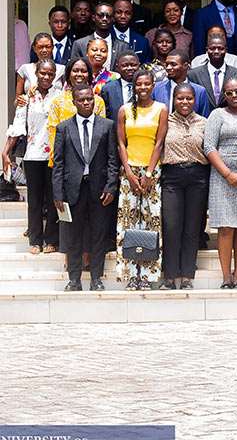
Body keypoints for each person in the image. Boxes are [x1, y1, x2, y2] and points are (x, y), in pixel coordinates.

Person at [51, 85, 119, 291]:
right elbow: (58, 163)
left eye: (89, 99)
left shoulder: (107, 125)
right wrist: (58, 193)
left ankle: (96, 279)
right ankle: (74, 279)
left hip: (100, 189)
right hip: (73, 190)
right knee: (73, 235)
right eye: (81, 100)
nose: (86, 103)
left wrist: (111, 187)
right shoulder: (64, 127)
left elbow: (113, 160)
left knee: (99, 234)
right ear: (74, 102)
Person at [116, 69, 168, 290]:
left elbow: (159, 143)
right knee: (127, 223)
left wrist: (148, 174)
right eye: (139, 84)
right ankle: (130, 274)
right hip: (129, 172)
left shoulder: (161, 109)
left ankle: (147, 275)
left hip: (152, 171)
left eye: (147, 84)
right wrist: (128, 172)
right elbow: (121, 143)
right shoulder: (124, 110)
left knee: (150, 222)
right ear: (134, 87)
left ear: (153, 85)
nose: (143, 88)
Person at [3, 59, 60, 254]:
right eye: (43, 73)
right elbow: (18, 126)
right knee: (34, 200)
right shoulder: (27, 99)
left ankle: (51, 240)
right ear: (36, 74)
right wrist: (5, 152)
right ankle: (35, 240)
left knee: (53, 199)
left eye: (50, 74)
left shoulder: (61, 98)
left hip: (54, 157)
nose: (46, 77)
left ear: (55, 76)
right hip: (33, 155)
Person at [203, 76, 237, 289]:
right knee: (225, 228)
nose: (234, 96)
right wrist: (228, 174)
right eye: (229, 93)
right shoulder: (217, 114)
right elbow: (209, 146)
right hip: (221, 177)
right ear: (224, 95)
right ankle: (226, 277)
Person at [159, 83, 209, 291]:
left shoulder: (204, 122)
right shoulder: (164, 121)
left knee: (192, 227)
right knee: (171, 226)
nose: (185, 102)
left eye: (189, 98)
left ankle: (187, 276)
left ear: (195, 100)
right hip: (172, 176)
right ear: (174, 100)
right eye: (180, 98)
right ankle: (170, 276)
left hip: (198, 176)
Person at [46, 57, 106, 167]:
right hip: (66, 161)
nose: (79, 74)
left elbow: (100, 133)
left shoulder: (97, 101)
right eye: (75, 71)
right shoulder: (58, 102)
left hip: (92, 161)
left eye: (83, 71)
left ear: (89, 75)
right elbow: (53, 132)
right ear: (69, 74)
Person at [71, 2, 132, 70]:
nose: (104, 19)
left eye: (108, 16)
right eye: (100, 15)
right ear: (93, 17)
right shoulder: (80, 44)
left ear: (113, 19)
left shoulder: (123, 47)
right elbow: (75, 70)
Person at [188, 34, 237, 109]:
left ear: (226, 50)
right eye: (212, 48)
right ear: (207, 50)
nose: (216, 51)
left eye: (220, 48)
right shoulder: (193, 74)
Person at [153, 50, 211, 117]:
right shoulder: (156, 89)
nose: (168, 68)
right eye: (167, 64)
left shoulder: (199, 91)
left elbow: (204, 118)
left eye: (173, 64)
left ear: (185, 65)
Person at [18, 33, 65, 100]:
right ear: (34, 48)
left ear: (53, 47)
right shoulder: (25, 69)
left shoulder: (62, 69)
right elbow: (17, 99)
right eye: (40, 47)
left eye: (48, 47)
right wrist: (21, 100)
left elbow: (67, 94)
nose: (44, 50)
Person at [101, 51, 141, 122]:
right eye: (125, 65)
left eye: (133, 65)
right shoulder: (108, 89)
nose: (129, 68)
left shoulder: (146, 87)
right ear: (117, 67)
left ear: (139, 66)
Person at [112, 0, 151, 64]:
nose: (123, 16)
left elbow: (147, 66)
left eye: (127, 13)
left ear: (132, 15)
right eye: (119, 12)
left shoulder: (142, 41)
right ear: (113, 14)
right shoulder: (107, 37)